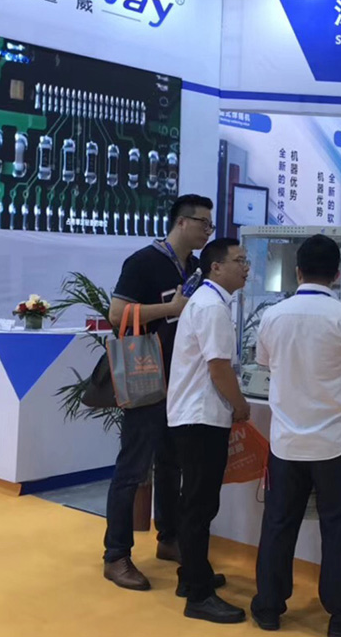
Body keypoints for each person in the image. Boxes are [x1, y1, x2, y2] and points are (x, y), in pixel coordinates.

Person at [250, 234, 341, 637]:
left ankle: (268, 608)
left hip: (286, 443)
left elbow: (266, 364)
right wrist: (334, 391)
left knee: (277, 525)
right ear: (337, 273)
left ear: (297, 271)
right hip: (336, 444)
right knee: (338, 530)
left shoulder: (273, 316)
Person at [103, 194, 215, 590]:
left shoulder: (196, 267)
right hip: (147, 378)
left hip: (182, 380)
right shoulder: (143, 262)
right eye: (203, 223)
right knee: (133, 468)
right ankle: (116, 555)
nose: (208, 231)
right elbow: (116, 315)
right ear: (182, 222)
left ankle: (169, 538)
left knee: (172, 464)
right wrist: (170, 309)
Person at [167, 238, 250, 624]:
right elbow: (219, 368)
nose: (245, 267)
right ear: (215, 267)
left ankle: (191, 575)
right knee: (199, 506)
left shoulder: (207, 302)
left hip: (194, 416)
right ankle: (199, 595)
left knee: (196, 503)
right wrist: (240, 404)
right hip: (201, 417)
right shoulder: (213, 307)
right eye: (238, 261)